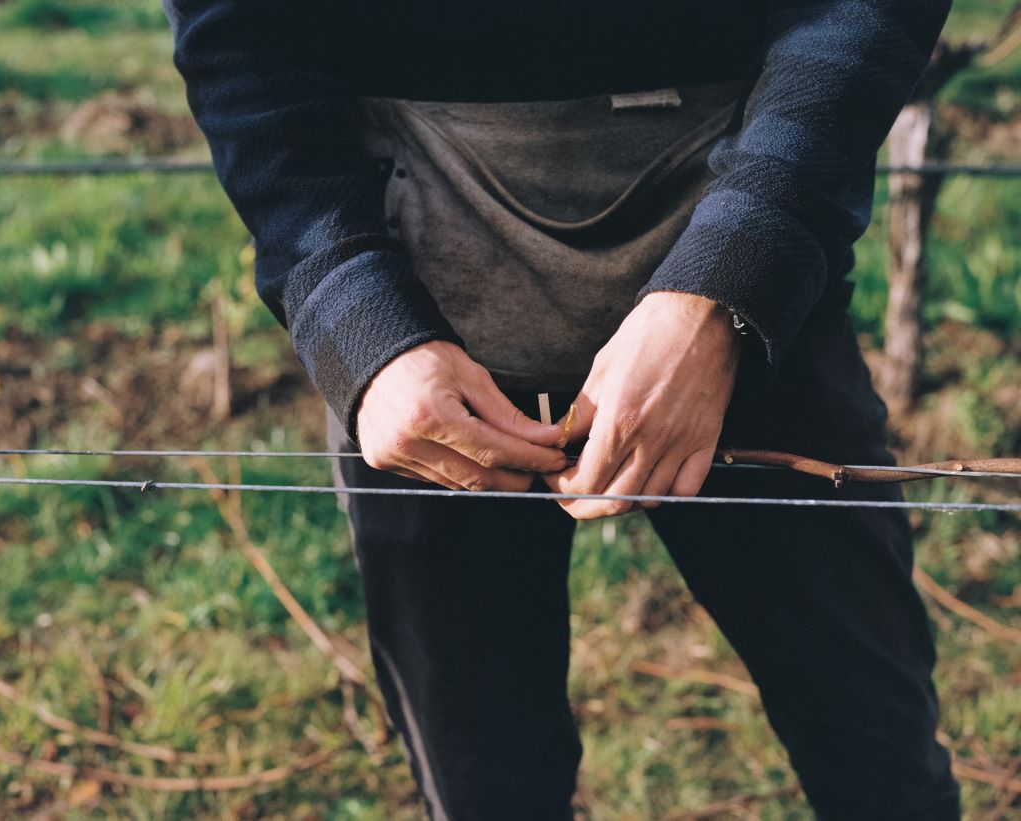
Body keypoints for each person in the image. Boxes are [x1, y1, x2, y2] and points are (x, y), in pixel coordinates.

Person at [165, 1, 961, 817]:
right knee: (482, 779)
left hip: (759, 324)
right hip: (419, 352)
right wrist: (354, 316)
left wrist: (737, 273)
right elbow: (243, 36)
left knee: (877, 753)